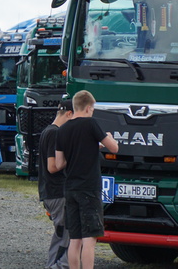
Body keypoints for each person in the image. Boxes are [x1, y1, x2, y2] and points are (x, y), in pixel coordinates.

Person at [55, 90, 119, 269]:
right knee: (89, 239)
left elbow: (59, 163)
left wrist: (76, 151)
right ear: (89, 108)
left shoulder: (63, 129)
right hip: (89, 188)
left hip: (70, 188)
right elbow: (113, 148)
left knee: (74, 240)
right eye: (93, 109)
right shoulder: (91, 124)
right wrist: (111, 139)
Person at [38, 100, 74, 269]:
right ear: (69, 114)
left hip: (50, 192)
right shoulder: (55, 134)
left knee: (60, 234)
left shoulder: (47, 131)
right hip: (58, 192)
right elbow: (52, 167)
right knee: (66, 236)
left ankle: (51, 265)